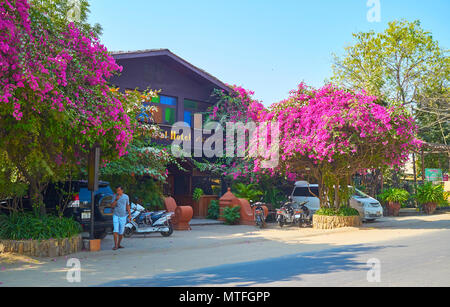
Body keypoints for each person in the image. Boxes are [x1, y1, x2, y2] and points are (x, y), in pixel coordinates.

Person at [111, 185, 132, 251]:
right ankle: (115, 245)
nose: (118, 192)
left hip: (123, 216)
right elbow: (112, 206)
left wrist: (129, 215)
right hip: (116, 215)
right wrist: (116, 199)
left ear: (122, 190)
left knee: (121, 232)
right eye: (117, 190)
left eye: (119, 190)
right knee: (115, 230)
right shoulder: (114, 196)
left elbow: (127, 205)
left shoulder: (126, 197)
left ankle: (119, 244)